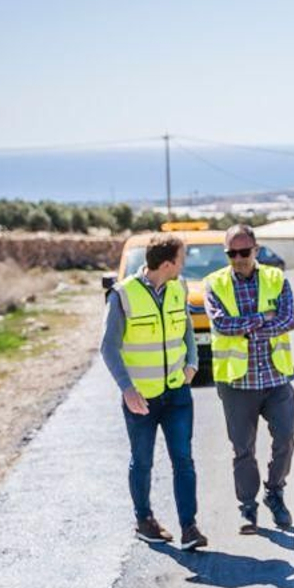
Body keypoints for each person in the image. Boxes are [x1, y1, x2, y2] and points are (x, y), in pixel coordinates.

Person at [99, 231, 207, 551]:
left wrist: (193, 362)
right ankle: (144, 520)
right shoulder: (123, 294)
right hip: (141, 399)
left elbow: (186, 328)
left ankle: (189, 528)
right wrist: (127, 389)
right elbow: (108, 347)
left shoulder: (179, 286)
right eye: (182, 257)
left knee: (183, 460)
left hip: (177, 393)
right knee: (142, 461)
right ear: (168, 263)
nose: (184, 263)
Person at [203, 224, 294, 533]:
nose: (239, 258)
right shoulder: (214, 283)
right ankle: (248, 507)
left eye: (245, 252)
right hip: (237, 384)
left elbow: (288, 320)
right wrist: (262, 319)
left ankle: (275, 492)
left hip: (275, 378)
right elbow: (222, 326)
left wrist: (247, 325)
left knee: (286, 437)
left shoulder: (276, 279)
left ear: (256, 250)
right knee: (242, 450)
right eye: (233, 253)